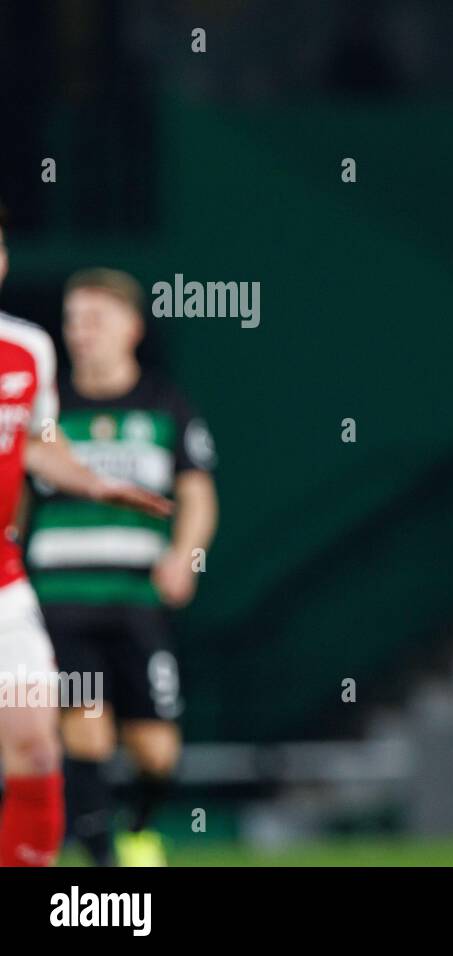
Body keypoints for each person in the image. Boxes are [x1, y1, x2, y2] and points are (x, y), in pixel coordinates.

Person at [26, 268, 217, 867]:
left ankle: (136, 828)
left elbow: (199, 495)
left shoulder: (165, 404)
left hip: (136, 600)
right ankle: (102, 863)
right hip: (59, 598)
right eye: (72, 320)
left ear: (132, 327)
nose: (80, 333)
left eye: (96, 319)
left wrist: (186, 557)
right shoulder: (46, 408)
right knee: (85, 725)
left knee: (156, 749)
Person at [0, 204, 170, 866]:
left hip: (4, 584)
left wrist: (91, 480)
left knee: (38, 747)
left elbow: (39, 445)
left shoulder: (28, 349)